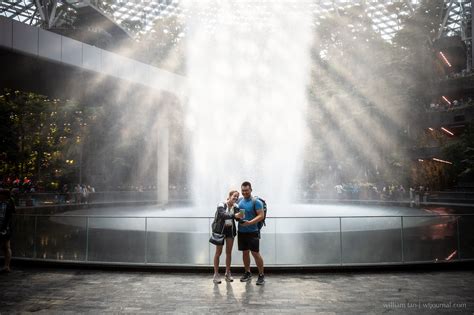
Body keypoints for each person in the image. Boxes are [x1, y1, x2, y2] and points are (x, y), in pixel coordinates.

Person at [212, 190, 244, 284]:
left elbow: (237, 219)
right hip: (220, 232)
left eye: (237, 197)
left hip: (230, 231)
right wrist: (235, 215)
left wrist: (242, 217)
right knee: (218, 252)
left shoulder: (236, 206)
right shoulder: (221, 204)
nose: (236, 198)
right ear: (229, 196)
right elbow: (222, 215)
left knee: (228, 253)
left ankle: (227, 273)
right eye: (234, 196)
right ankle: (216, 274)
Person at [237, 181, 265, 285]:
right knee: (245, 252)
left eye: (246, 190)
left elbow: (261, 215)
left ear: (251, 190)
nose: (244, 192)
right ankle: (247, 273)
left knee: (255, 253)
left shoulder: (256, 202)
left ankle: (261, 275)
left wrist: (249, 223)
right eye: (243, 190)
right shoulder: (240, 201)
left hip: (253, 231)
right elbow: (239, 214)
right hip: (241, 231)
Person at [0, 189, 15, 273]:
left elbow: (8, 217)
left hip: (4, 228)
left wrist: (4, 228)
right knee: (6, 247)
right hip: (5, 228)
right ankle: (6, 266)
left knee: (6, 247)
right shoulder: (9, 203)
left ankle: (6, 266)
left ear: (4, 195)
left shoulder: (8, 203)